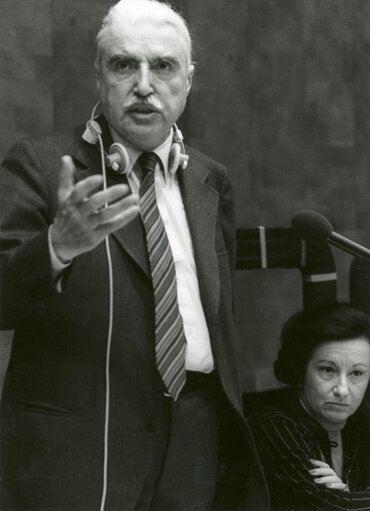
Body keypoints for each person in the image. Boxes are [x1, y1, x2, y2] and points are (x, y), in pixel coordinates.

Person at [0, 1, 268, 510]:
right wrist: (57, 247)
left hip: (195, 432)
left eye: (163, 66)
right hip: (85, 442)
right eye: (125, 64)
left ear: (188, 80)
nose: (144, 85)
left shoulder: (211, 178)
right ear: (99, 76)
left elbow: (217, 318)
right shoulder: (41, 165)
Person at [248, 302, 370, 511]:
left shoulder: (362, 421)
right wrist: (347, 501)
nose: (342, 389)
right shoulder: (274, 427)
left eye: (356, 373)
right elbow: (331, 507)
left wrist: (349, 499)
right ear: (300, 372)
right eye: (327, 370)